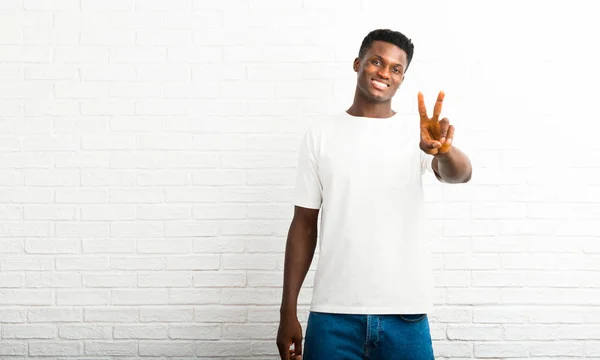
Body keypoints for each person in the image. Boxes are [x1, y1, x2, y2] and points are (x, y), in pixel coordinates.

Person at [276, 29, 472, 360]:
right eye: (377, 61)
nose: (385, 73)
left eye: (396, 68)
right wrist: (287, 311)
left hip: (405, 316)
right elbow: (303, 225)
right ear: (358, 63)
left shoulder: (418, 133)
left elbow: (460, 174)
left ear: (402, 79)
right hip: (333, 315)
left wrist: (442, 152)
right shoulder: (321, 134)